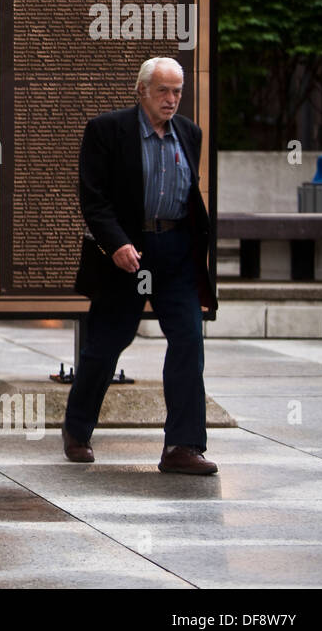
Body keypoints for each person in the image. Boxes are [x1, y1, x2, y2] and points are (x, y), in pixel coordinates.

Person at [63, 56, 219, 474]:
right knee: (107, 345)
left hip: (176, 253)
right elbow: (93, 197)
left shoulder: (189, 133)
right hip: (129, 254)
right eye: (163, 91)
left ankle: (182, 447)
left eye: (177, 92)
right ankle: (77, 430)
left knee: (188, 343)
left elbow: (188, 194)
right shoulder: (106, 130)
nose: (171, 100)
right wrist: (117, 243)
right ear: (141, 91)